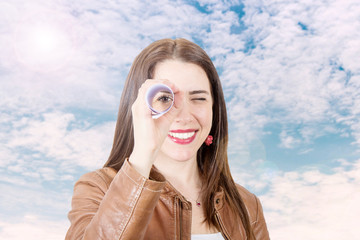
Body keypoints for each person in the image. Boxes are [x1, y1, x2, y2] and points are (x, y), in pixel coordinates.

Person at [65, 38, 270, 240]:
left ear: (214, 108)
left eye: (198, 98)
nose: (184, 116)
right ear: (137, 106)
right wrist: (143, 154)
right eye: (165, 99)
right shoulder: (98, 188)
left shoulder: (247, 204)